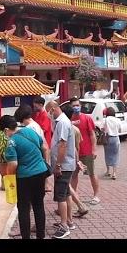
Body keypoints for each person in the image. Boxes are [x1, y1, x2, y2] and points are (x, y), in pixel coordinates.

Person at [0, 115, 49, 240]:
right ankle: (40, 236)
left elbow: (13, 164)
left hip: (24, 178)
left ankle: (26, 236)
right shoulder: (30, 131)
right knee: (38, 206)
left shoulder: (11, 142)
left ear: (6, 130)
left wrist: (9, 179)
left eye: (4, 132)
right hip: (41, 173)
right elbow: (44, 147)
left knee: (23, 208)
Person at [46, 101, 76, 239]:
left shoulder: (62, 123)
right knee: (66, 194)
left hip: (63, 166)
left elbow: (62, 145)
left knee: (61, 196)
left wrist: (58, 165)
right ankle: (68, 221)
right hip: (66, 164)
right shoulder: (62, 122)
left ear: (53, 109)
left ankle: (64, 226)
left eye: (49, 112)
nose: (48, 115)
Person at [69, 96, 100, 205]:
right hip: (74, 152)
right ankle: (74, 195)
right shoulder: (69, 119)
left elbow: (92, 135)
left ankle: (96, 195)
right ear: (70, 107)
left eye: (77, 105)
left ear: (80, 106)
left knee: (91, 173)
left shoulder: (87, 118)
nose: (76, 107)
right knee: (74, 175)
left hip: (86, 151)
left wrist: (94, 149)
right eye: (74, 106)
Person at [103, 106, 124, 180]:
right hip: (115, 138)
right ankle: (114, 173)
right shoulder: (117, 120)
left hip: (108, 138)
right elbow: (120, 129)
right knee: (116, 155)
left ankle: (108, 171)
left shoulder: (105, 120)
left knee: (107, 154)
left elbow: (103, 129)